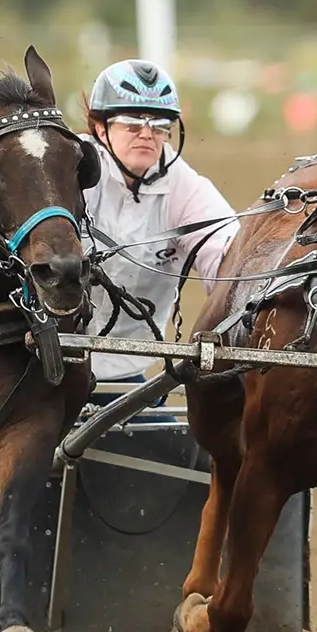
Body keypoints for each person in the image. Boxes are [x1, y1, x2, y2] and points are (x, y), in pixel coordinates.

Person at [79, 58, 239, 420]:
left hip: (128, 379)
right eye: (133, 122)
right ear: (101, 128)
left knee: (177, 472)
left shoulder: (185, 187)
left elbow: (229, 261)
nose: (147, 134)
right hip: (43, 371)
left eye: (160, 125)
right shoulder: (68, 168)